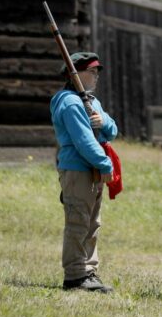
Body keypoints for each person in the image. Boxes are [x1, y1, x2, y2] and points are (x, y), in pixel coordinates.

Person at [50, 51, 117, 293]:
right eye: (92, 71)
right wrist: (105, 164)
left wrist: (104, 123)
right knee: (78, 221)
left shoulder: (91, 101)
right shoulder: (69, 102)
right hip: (78, 169)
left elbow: (112, 129)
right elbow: (83, 141)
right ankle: (75, 275)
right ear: (75, 74)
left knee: (92, 223)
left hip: (93, 170)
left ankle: (88, 270)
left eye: (98, 71)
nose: (97, 75)